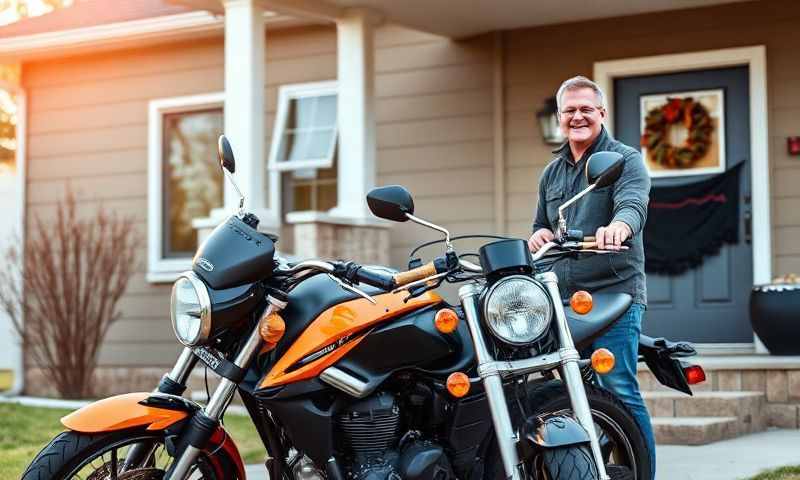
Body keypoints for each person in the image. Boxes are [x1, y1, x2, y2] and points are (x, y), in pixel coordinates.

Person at [528, 76, 655, 478]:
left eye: (586, 109)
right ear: (561, 117)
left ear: (602, 113)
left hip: (612, 294)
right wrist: (539, 235)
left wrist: (620, 226)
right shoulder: (552, 172)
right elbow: (540, 226)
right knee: (558, 392)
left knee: (617, 386)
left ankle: (641, 470)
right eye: (570, 110)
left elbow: (633, 204)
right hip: (561, 298)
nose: (578, 116)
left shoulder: (624, 160)